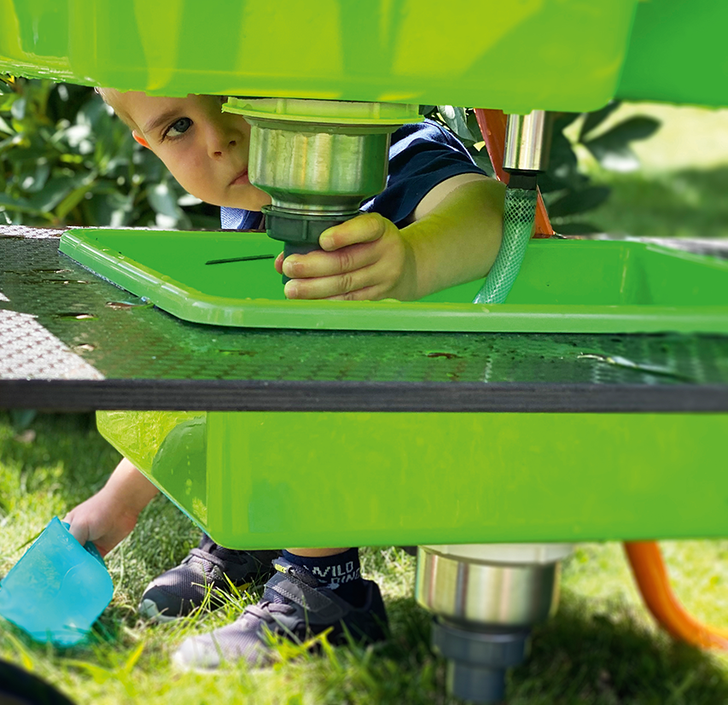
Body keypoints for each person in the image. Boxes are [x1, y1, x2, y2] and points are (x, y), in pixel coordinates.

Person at [66, 90, 505, 670]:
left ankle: (326, 590)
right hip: (361, 440)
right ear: (147, 145)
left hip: (450, 429)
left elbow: (489, 209)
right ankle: (253, 535)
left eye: (237, 96)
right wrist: (118, 504)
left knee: (302, 347)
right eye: (178, 128)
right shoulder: (249, 211)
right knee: (233, 351)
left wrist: (414, 259)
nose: (219, 138)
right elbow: (223, 377)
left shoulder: (370, 147)